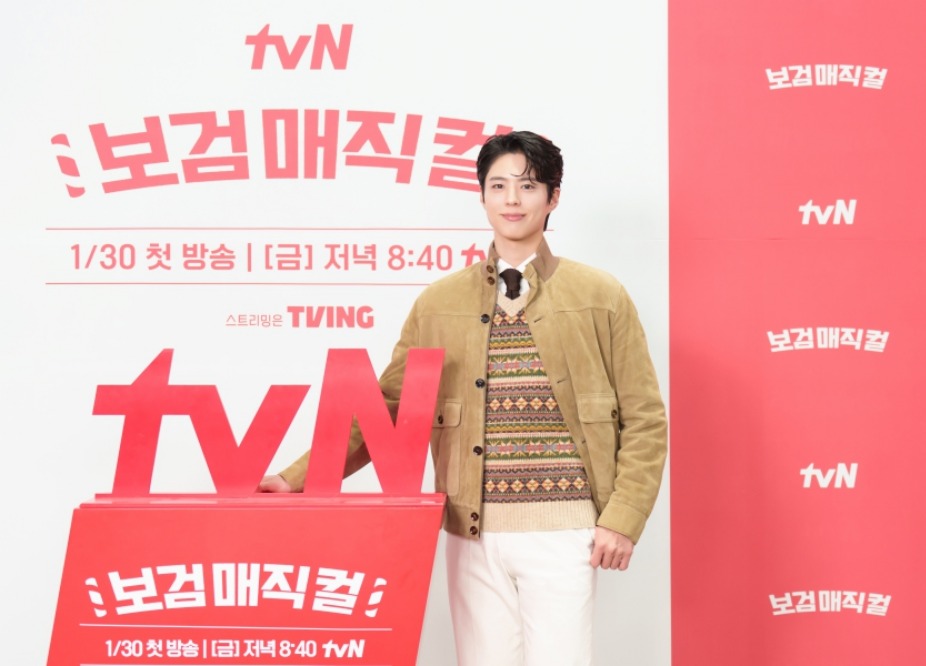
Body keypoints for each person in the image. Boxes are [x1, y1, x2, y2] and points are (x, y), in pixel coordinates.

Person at [259, 131, 667, 666]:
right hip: (471, 530)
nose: (512, 199)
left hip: (566, 531)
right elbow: (387, 409)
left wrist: (622, 518)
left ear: (553, 196)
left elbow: (645, 418)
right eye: (498, 186)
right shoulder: (439, 303)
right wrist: (298, 477)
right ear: (482, 196)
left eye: (528, 186)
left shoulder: (600, 295)